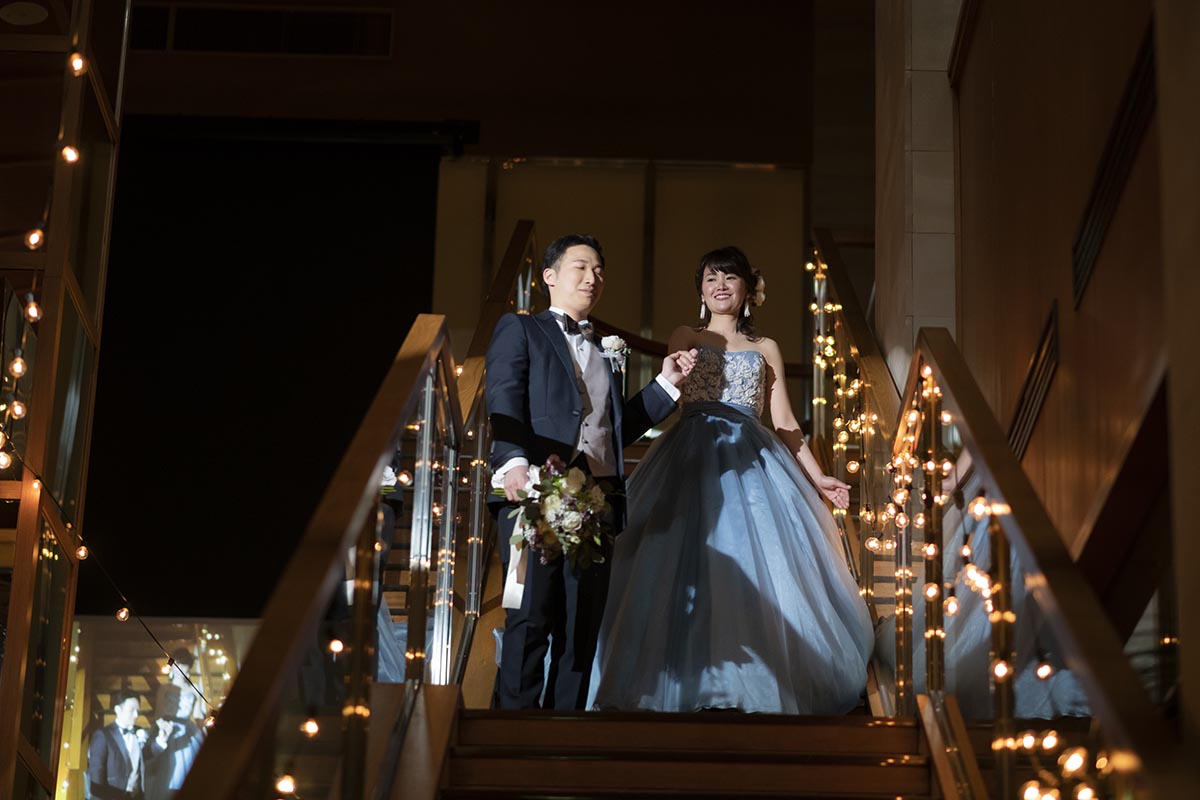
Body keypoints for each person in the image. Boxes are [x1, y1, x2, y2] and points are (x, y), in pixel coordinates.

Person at [588, 245, 874, 714]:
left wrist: (819, 476)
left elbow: (784, 422)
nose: (720, 286)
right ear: (700, 290)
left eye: (730, 277)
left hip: (753, 456)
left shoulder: (767, 348)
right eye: (710, 278)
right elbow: (669, 388)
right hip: (689, 453)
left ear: (748, 290)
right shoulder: (686, 335)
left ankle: (753, 676)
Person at [486, 232, 697, 710]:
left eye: (599, 270)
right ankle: (513, 729)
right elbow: (504, 395)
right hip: (533, 492)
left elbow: (613, 429)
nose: (592, 278)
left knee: (581, 627)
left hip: (597, 502)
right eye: (580, 267)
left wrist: (666, 383)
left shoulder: (606, 349)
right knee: (529, 616)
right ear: (550, 276)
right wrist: (514, 463)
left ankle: (565, 730)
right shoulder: (521, 329)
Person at [87, 689, 148, 799]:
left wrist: (161, 741)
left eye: (137, 711)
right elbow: (96, 773)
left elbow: (145, 757)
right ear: (118, 710)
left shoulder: (139, 732)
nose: (136, 715)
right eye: (132, 710)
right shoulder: (103, 735)